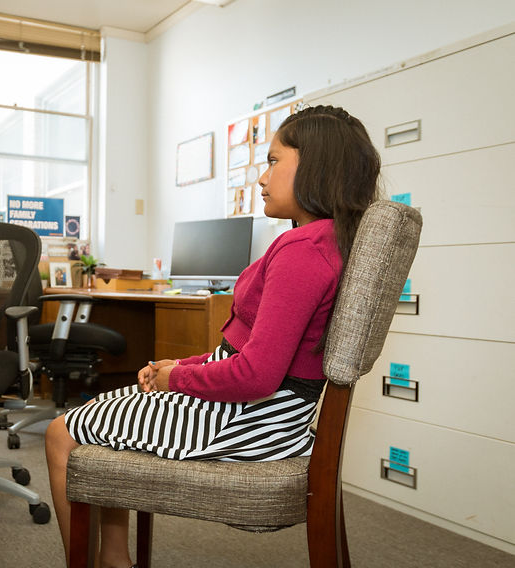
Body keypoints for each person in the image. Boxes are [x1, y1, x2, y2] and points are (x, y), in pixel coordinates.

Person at [44, 105, 381, 567]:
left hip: (251, 419)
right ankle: (114, 560)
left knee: (63, 432)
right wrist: (184, 366)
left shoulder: (302, 252)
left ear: (315, 167)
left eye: (274, 161)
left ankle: (108, 561)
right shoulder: (323, 242)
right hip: (272, 413)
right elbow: (252, 351)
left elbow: (257, 374)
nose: (262, 178)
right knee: (100, 415)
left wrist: (175, 381)